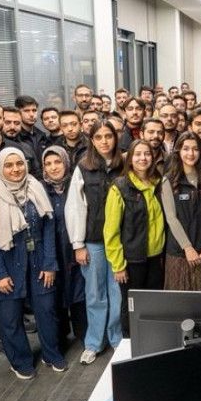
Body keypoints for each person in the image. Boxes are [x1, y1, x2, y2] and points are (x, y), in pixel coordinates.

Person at [0, 147, 64, 378]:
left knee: (47, 310)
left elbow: (49, 227)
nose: (15, 169)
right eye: (9, 165)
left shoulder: (36, 187)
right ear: (0, 168)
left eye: (19, 164)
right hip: (7, 263)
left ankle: (52, 354)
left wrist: (49, 263)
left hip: (39, 261)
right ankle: (20, 361)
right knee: (10, 318)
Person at [65, 122, 125, 365]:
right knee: (95, 293)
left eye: (108, 136)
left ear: (115, 138)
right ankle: (93, 343)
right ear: (92, 140)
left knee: (117, 292)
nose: (104, 141)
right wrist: (78, 244)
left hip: (120, 240)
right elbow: (75, 207)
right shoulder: (83, 167)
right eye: (98, 137)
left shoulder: (124, 165)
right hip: (93, 240)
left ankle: (117, 338)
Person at [103, 140, 165, 334]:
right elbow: (111, 231)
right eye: (137, 154)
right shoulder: (119, 187)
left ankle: (151, 342)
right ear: (130, 159)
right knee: (131, 306)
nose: (143, 158)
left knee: (153, 304)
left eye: (147, 154)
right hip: (132, 260)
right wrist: (118, 265)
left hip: (156, 258)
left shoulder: (158, 183)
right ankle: (130, 343)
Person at [40, 146, 87, 350]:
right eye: (48, 164)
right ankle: (60, 336)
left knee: (79, 293)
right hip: (52, 251)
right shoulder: (40, 189)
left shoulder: (76, 184)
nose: (53, 167)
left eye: (58, 162)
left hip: (75, 247)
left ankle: (84, 334)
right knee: (56, 294)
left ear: (66, 163)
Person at [161, 132, 201, 291]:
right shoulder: (169, 180)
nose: (191, 153)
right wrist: (187, 247)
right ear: (178, 151)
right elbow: (171, 218)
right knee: (180, 302)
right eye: (186, 149)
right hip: (179, 254)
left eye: (195, 149)